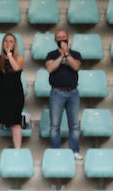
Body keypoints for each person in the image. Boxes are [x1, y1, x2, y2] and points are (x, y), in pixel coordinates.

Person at [45, 28, 83, 158]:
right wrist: (61, 55)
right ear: (55, 40)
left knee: (74, 125)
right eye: (59, 37)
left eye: (63, 37)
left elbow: (76, 66)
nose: (61, 39)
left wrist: (67, 54)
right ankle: (55, 152)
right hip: (57, 92)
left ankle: (74, 151)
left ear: (69, 38)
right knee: (55, 125)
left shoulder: (76, 54)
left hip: (73, 93)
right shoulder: (51, 54)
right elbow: (50, 68)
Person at [0, 33, 26, 157]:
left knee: (16, 124)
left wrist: (9, 55)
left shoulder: (19, 57)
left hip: (15, 95)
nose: (8, 43)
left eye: (11, 41)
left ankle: (18, 151)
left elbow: (16, 68)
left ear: (15, 44)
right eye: (5, 41)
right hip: (0, 93)